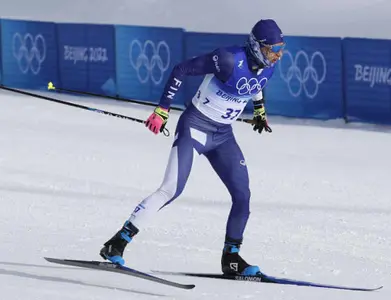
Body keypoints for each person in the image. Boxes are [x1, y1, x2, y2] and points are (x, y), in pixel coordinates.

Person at [100, 19, 285, 276]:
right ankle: (117, 243)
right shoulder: (228, 59)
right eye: (271, 49)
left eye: (280, 49)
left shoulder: (269, 67)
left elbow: (257, 86)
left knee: (242, 196)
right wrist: (162, 109)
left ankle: (231, 259)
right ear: (255, 46)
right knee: (170, 190)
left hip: (223, 136)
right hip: (195, 127)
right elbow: (181, 69)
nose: (277, 56)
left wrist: (260, 111)